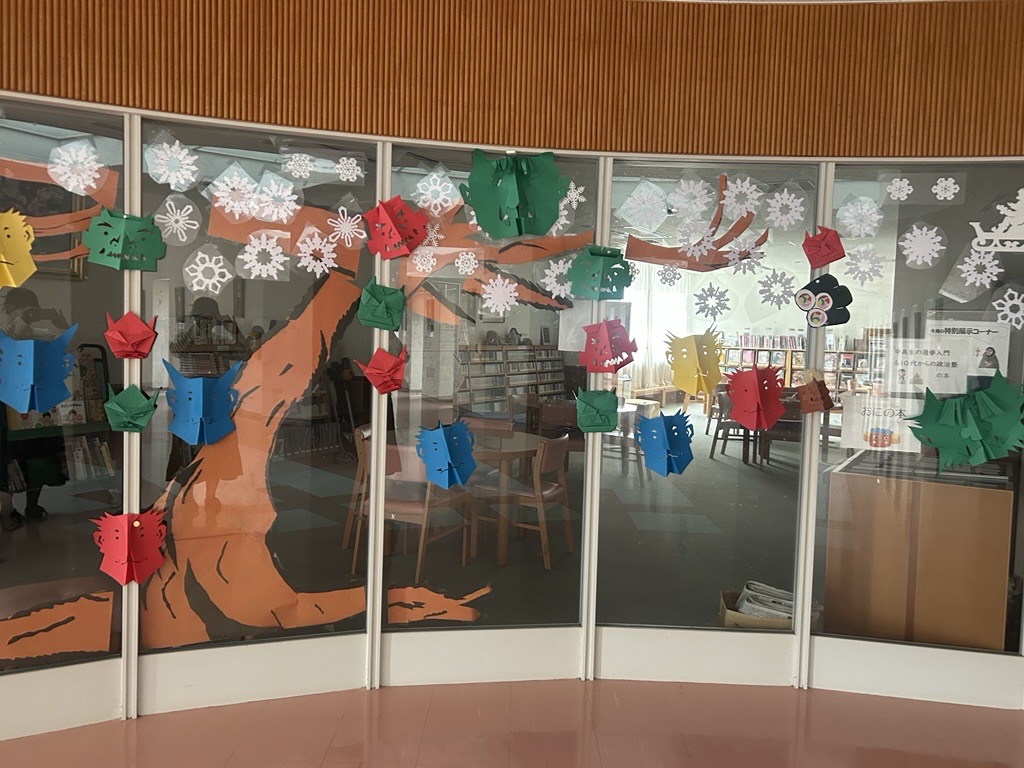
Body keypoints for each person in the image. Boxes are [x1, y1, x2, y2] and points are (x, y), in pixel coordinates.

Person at [1, 287, 71, 531]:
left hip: (39, 401)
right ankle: (8, 508)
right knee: (11, 454)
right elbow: (8, 341)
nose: (29, 314)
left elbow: (65, 352)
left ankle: (33, 503)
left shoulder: (40, 334)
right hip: (9, 403)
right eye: (24, 308)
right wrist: (22, 320)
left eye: (33, 309)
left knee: (40, 452)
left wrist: (61, 326)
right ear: (9, 309)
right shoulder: (5, 332)